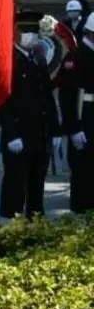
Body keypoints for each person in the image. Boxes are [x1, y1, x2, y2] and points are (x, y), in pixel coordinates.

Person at [0, 31, 61, 219]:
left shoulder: (38, 57)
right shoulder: (8, 60)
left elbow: (47, 96)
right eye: (28, 32)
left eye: (34, 32)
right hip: (19, 135)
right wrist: (10, 134)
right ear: (16, 34)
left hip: (40, 134)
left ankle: (35, 227)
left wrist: (55, 129)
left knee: (37, 186)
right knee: (15, 187)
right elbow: (2, 100)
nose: (32, 37)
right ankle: (9, 228)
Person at [60, 15, 94, 213]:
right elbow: (68, 97)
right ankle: (81, 211)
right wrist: (73, 128)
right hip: (85, 118)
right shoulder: (76, 57)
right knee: (83, 167)